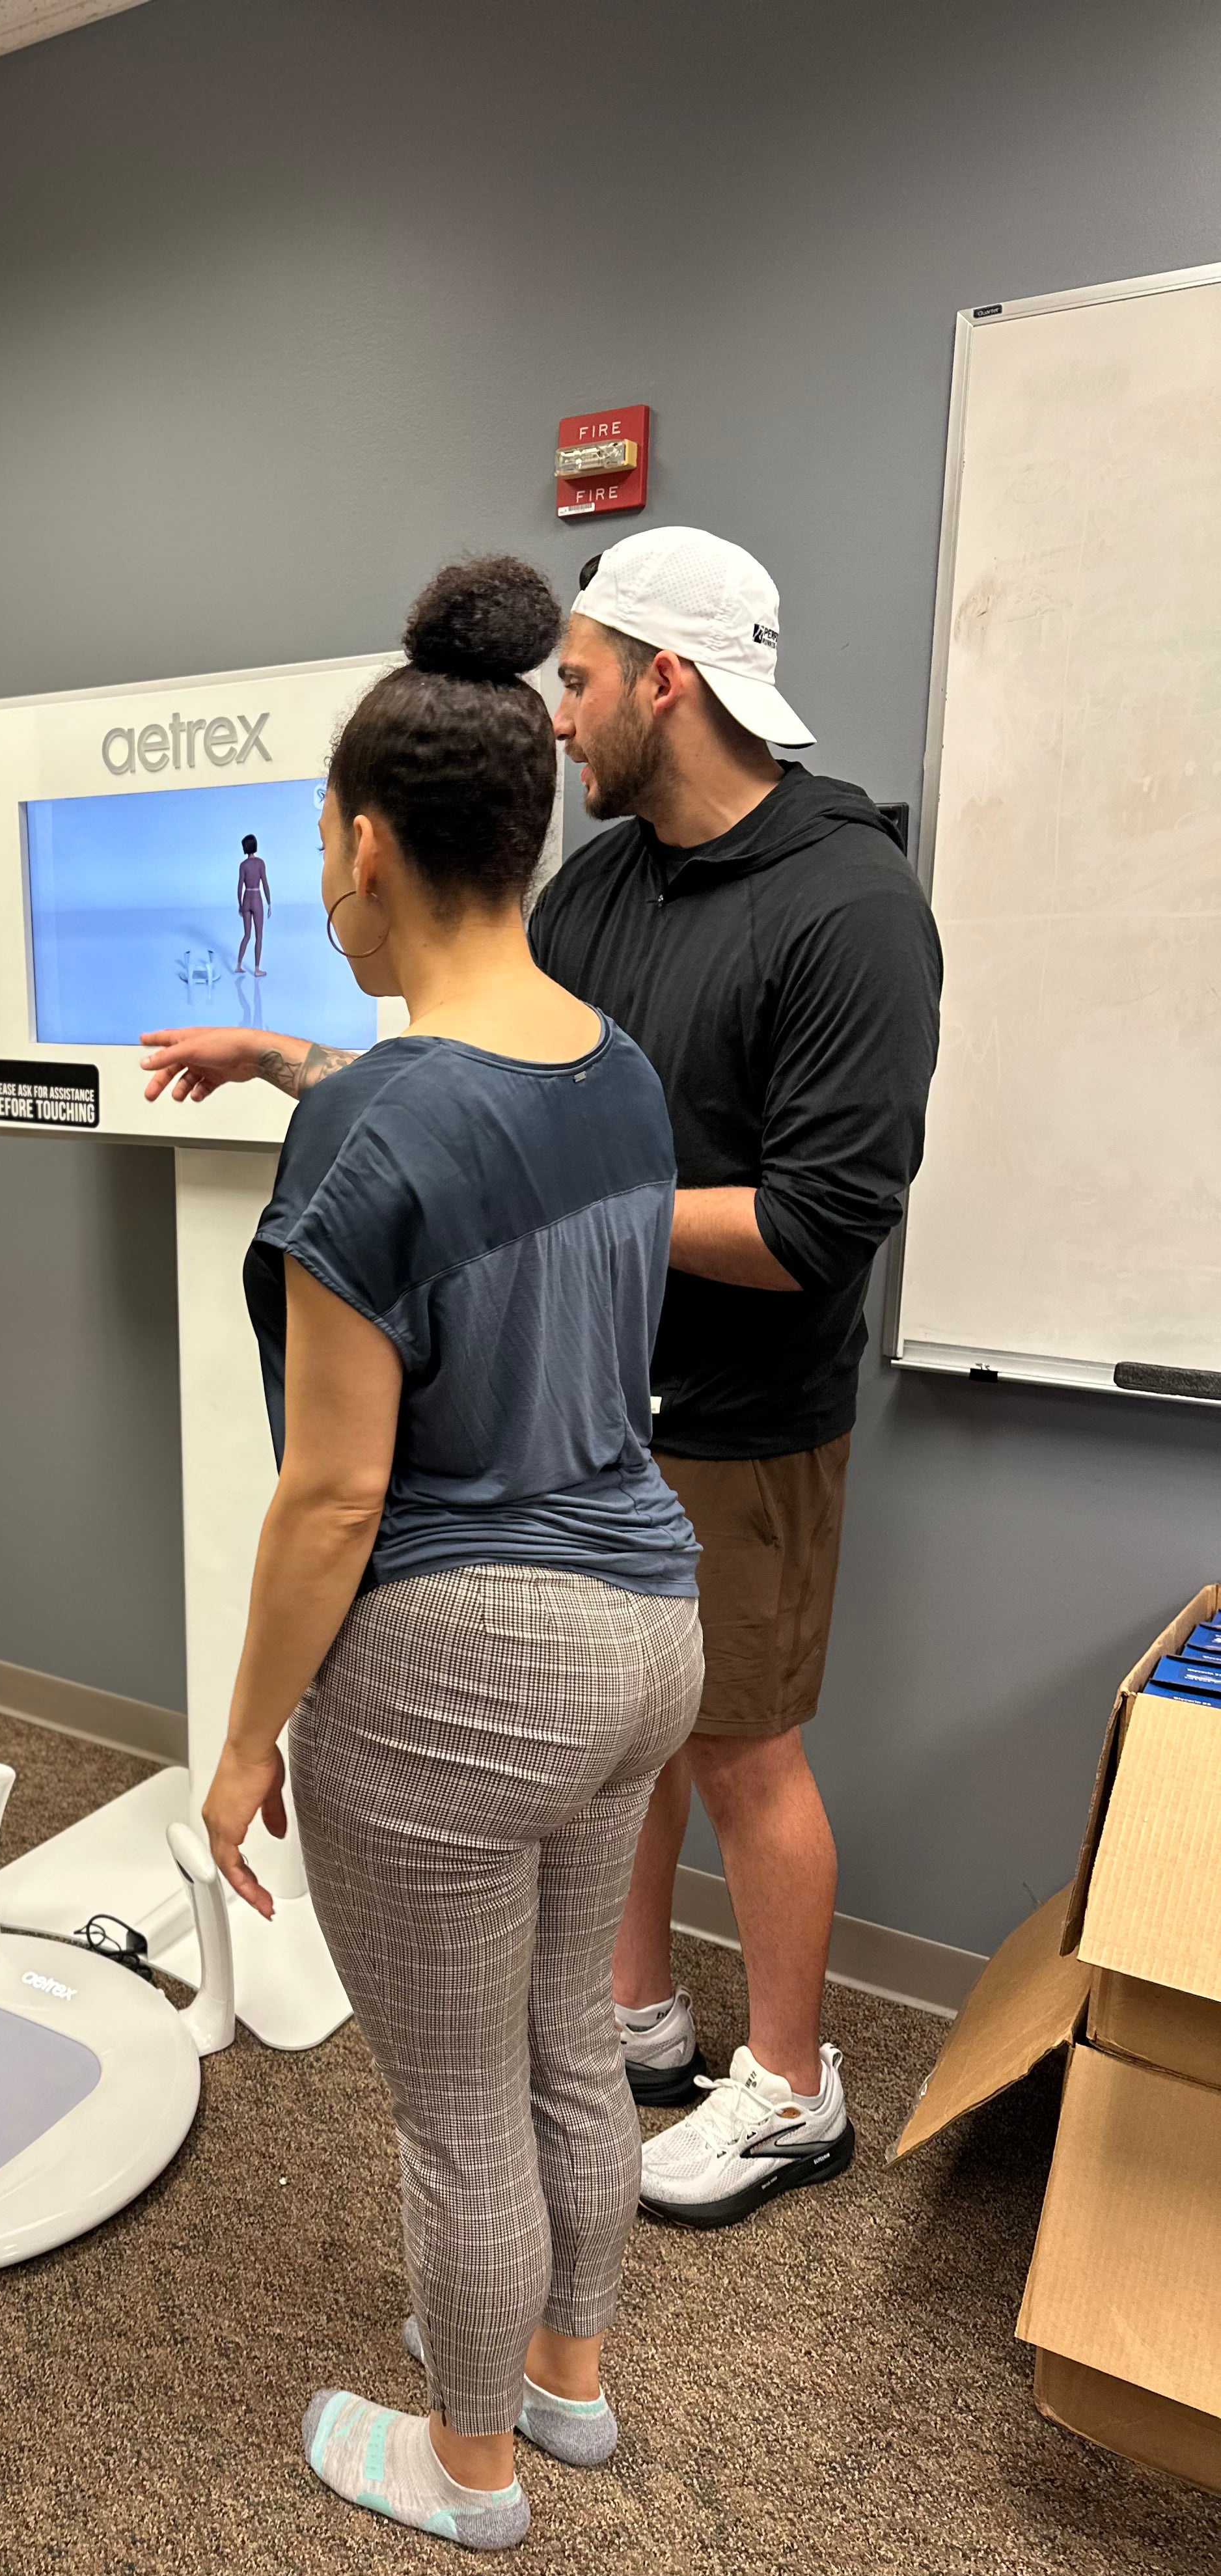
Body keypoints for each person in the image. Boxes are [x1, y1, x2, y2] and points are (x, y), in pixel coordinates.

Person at [143, 526, 942, 2234]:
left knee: (744, 1753)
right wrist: (291, 1059)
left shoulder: (850, 907)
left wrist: (553, 1209)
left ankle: (790, 2086)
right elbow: (480, 1079)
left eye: (578, 681)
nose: (554, 715)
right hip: (597, 1411)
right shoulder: (599, 889)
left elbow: (818, 1224)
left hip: (745, 1416)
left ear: (669, 680)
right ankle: (634, 2017)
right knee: (627, 1766)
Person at [194, 554, 702, 2553]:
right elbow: (468, 1134)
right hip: (643, 1633)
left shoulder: (374, 1135)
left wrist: (247, 1740)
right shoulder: (614, 1067)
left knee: (458, 2108)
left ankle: (468, 2466)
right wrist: (292, 1066)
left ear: (365, 847)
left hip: (461, 1674)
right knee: (571, 2040)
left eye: (329, 848)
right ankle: (567, 2382)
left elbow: (332, 1501)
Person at [236, 833, 270, 974]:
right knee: (259, 935)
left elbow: (240, 887)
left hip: (246, 899)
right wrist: (269, 903)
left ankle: (238, 966)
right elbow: (265, 884)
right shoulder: (260, 863)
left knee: (247, 935)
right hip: (256, 898)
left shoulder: (243, 865)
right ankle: (257, 969)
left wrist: (240, 905)